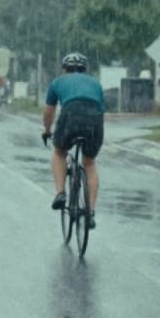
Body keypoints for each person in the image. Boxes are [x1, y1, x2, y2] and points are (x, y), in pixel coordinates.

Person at [41, 52, 104, 227]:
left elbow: (49, 112)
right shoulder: (96, 84)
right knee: (89, 163)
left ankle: (61, 193)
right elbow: (101, 110)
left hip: (71, 114)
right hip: (94, 119)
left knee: (59, 152)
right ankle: (90, 212)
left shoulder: (58, 82)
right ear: (85, 69)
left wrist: (47, 131)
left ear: (64, 69)